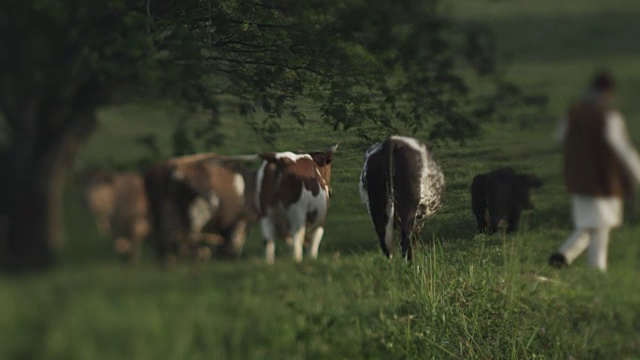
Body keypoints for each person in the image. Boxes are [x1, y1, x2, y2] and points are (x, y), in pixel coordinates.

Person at [549, 70, 640, 272]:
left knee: (589, 225)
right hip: (603, 180)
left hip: (578, 179)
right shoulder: (608, 117)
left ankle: (563, 256)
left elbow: (560, 138)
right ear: (608, 92)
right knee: (600, 228)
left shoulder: (573, 113)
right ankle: (596, 271)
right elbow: (623, 149)